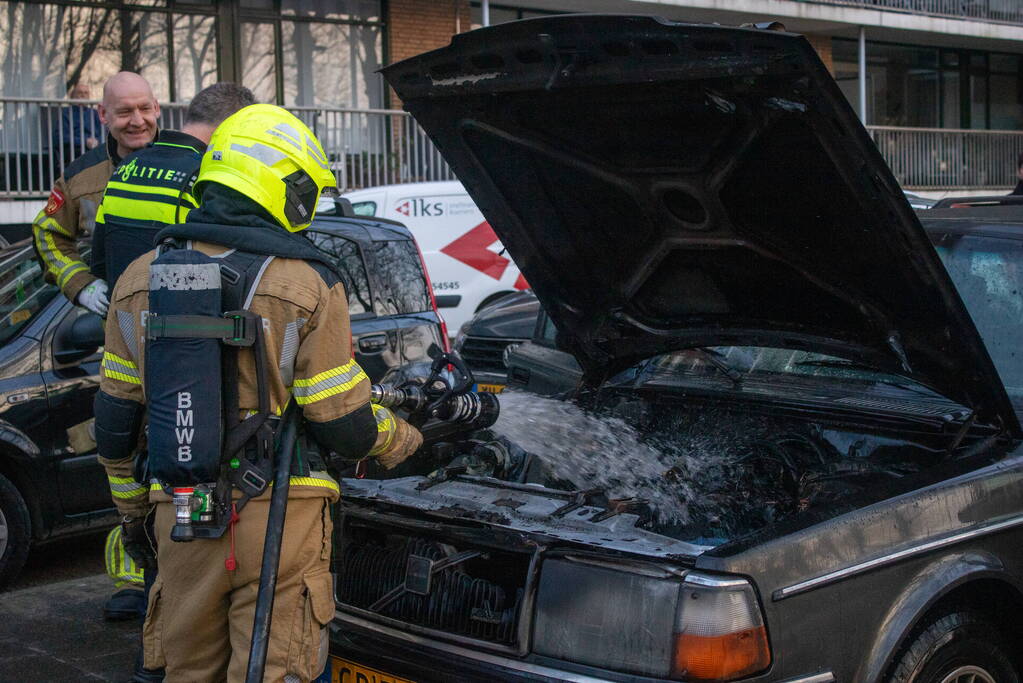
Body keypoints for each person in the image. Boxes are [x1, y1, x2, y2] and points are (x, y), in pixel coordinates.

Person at [94, 104, 422, 682]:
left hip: (182, 510)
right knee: (276, 669)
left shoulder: (137, 278)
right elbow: (341, 421)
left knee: (186, 670)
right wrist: (404, 439)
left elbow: (115, 422)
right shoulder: (307, 282)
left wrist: (133, 515)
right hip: (283, 513)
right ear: (281, 183)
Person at [91, 82, 255, 290]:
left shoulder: (125, 168)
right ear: (233, 127)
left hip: (121, 316)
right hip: (181, 319)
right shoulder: (207, 178)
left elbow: (98, 264)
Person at [33, 71, 160, 317]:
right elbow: (46, 232)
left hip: (183, 325)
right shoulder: (79, 177)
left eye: (144, 108)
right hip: (117, 328)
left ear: (156, 108)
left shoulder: (192, 162)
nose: (137, 121)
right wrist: (81, 285)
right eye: (124, 112)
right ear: (103, 114)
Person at [53, 83, 103, 170]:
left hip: (95, 146)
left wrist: (97, 141)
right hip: (75, 148)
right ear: (73, 96)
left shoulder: (95, 113)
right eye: (80, 93)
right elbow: (61, 137)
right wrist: (84, 141)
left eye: (86, 93)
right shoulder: (66, 113)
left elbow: (104, 132)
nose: (83, 95)